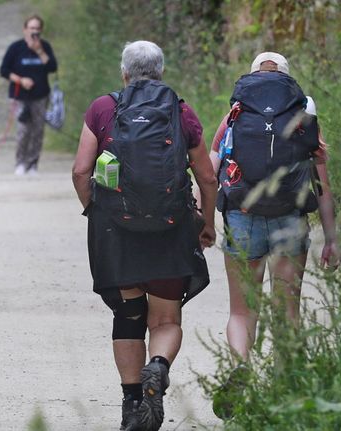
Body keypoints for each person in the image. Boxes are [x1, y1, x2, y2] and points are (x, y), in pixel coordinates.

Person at [72, 41, 217, 431]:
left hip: (116, 230)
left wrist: (94, 209)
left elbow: (81, 171)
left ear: (124, 73)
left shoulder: (103, 108)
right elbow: (206, 175)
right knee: (167, 318)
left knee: (128, 315)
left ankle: (132, 405)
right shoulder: (180, 111)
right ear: (161, 71)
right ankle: (158, 366)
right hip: (170, 229)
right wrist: (207, 223)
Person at [208, 52, 341, 418]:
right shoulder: (303, 118)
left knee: (241, 311)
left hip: (243, 217)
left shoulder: (235, 114)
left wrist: (203, 217)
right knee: (287, 311)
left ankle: (240, 367)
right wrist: (331, 238)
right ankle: (287, 390)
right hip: (289, 218)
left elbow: (210, 169)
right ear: (287, 80)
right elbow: (322, 185)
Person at [0, 13, 58, 176]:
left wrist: (39, 51)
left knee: (37, 130)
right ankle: (20, 163)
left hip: (40, 95)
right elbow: (4, 70)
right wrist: (20, 80)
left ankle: (33, 164)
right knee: (24, 129)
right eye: (31, 28)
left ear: (41, 30)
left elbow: (52, 67)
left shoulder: (44, 47)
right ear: (25, 29)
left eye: (37, 29)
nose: (34, 32)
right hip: (20, 96)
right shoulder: (16, 48)